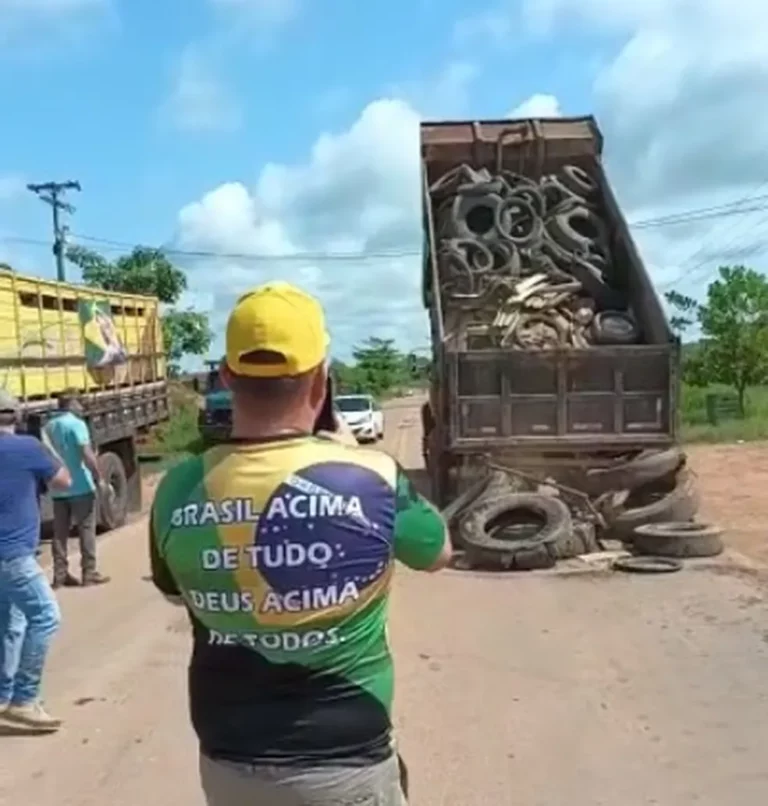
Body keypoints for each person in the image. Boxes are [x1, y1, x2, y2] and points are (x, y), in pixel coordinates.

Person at [149, 282, 451, 805]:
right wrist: (353, 455)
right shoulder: (372, 475)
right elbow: (438, 551)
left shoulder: (177, 487)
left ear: (224, 378)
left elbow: (179, 594)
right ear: (321, 379)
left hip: (227, 758)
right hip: (346, 756)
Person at [0, 388, 72, 730]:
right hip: (14, 555)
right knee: (45, 616)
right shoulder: (28, 448)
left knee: (10, 624)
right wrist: (44, 442)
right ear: (16, 415)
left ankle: (3, 696)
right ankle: (25, 699)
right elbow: (62, 481)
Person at [43, 391, 111, 588]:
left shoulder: (48, 426)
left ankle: (60, 575)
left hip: (58, 488)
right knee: (86, 530)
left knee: (60, 533)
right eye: (79, 403)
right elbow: (87, 453)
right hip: (80, 486)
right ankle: (89, 573)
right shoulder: (76, 424)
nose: (82, 407)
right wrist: (99, 476)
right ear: (71, 404)